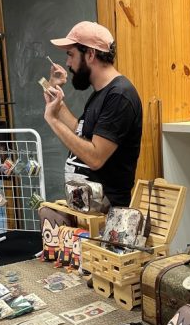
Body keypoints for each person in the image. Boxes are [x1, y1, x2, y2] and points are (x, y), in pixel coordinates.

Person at [44, 21, 143, 207]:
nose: (68, 63)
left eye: (71, 55)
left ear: (90, 54)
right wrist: (55, 100)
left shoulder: (120, 95)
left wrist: (52, 120)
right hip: (88, 208)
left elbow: (95, 157)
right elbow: (81, 132)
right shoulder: (101, 93)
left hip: (106, 215)